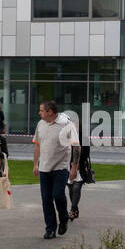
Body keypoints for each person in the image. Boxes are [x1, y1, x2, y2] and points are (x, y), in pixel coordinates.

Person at [33, 100, 79, 239]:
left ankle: (63, 218)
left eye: (41, 110)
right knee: (46, 199)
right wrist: (35, 164)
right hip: (44, 168)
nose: (39, 113)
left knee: (58, 195)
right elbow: (37, 145)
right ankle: (50, 229)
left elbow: (76, 147)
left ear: (50, 112)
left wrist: (74, 168)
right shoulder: (40, 124)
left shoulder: (66, 124)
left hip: (61, 167)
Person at [67, 140, 95, 220]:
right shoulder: (68, 134)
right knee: (71, 188)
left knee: (76, 187)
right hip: (68, 165)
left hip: (80, 166)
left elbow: (86, 152)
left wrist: (77, 163)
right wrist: (70, 162)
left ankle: (73, 209)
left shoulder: (84, 137)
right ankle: (75, 208)